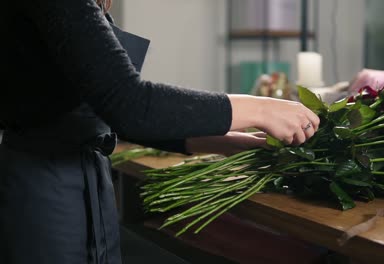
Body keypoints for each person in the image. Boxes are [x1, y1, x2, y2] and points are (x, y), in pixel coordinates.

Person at [0, 0, 320, 263]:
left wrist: (230, 144)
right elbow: (130, 104)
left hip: (81, 182)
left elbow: (107, 112)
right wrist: (263, 109)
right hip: (44, 195)